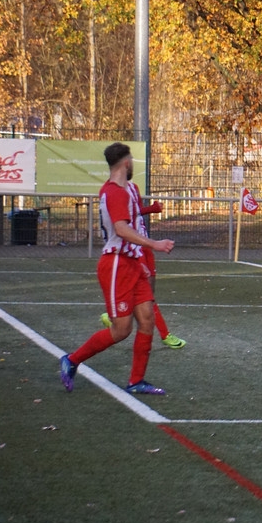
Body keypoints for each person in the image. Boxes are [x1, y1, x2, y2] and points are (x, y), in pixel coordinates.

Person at [60, 143, 176, 395]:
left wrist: (141, 259)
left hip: (132, 263)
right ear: (126, 163)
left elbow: (130, 219)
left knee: (147, 320)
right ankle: (71, 360)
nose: (132, 163)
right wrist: (154, 244)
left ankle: (136, 381)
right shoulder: (114, 192)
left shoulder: (126, 190)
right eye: (131, 159)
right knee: (122, 329)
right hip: (116, 265)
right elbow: (121, 229)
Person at [99, 189, 186, 349]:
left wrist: (151, 210)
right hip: (134, 248)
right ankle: (165, 335)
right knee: (147, 295)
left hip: (144, 246)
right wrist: (152, 209)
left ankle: (113, 317)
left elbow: (135, 212)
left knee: (148, 294)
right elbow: (125, 219)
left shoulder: (132, 188)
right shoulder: (117, 189)